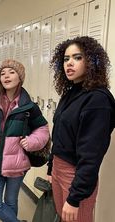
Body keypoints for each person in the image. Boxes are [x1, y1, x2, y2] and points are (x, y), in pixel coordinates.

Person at [0, 59, 50, 222]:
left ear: (20, 77)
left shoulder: (29, 107)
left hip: (18, 164)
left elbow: (43, 130)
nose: (6, 76)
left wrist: (33, 141)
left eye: (11, 72)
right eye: (2, 73)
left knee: (10, 201)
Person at [48, 36, 115, 222]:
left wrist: (75, 197)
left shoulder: (97, 100)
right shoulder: (70, 93)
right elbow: (59, 134)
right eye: (66, 59)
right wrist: (51, 167)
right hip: (58, 169)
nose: (69, 63)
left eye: (77, 57)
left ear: (92, 61)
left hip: (75, 175)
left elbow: (91, 155)